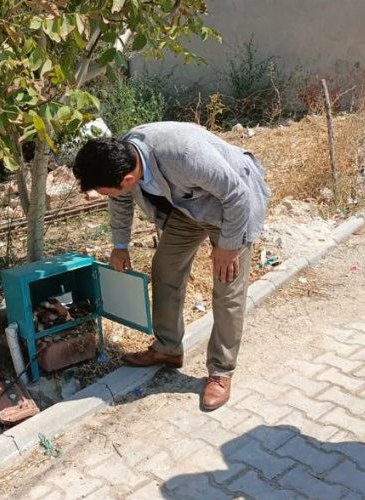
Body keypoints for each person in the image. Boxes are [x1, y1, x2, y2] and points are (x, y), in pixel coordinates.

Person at [72, 122, 270, 411]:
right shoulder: (125, 153)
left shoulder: (185, 155)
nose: (108, 197)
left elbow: (236, 194)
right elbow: (120, 202)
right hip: (189, 207)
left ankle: (221, 371)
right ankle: (168, 349)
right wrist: (120, 245)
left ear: (128, 179)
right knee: (165, 268)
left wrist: (228, 247)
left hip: (232, 207)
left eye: (106, 192)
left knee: (227, 286)